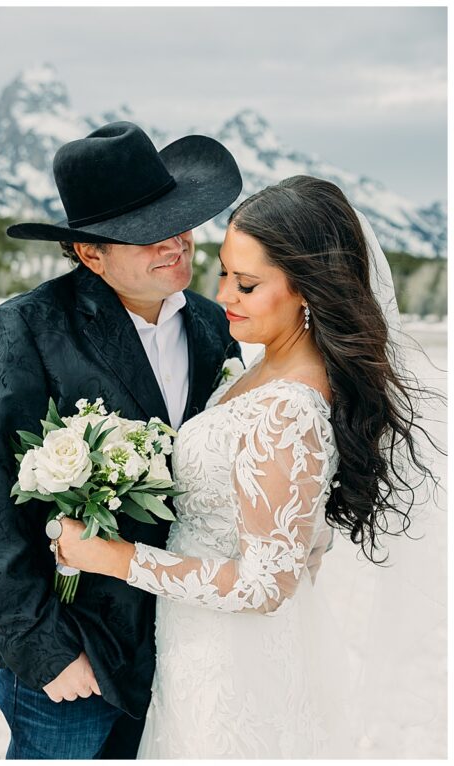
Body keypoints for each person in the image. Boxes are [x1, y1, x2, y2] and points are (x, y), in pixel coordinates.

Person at [55, 175, 439, 758]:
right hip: (202, 642)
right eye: (224, 273)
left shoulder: (288, 409)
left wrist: (114, 558)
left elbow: (266, 585)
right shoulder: (261, 367)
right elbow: (303, 545)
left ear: (307, 288)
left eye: (248, 284)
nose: (224, 295)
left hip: (231, 663)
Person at [0, 122, 243, 759]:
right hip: (75, 658)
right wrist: (43, 650)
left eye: (179, 222)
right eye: (148, 232)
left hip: (185, 646)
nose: (176, 242)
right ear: (90, 254)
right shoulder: (23, 329)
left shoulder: (215, 325)